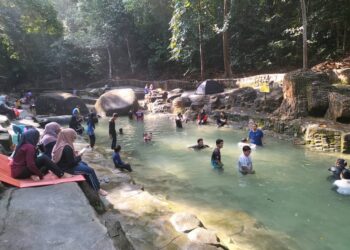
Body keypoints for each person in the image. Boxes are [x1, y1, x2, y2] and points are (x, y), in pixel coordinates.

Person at [51, 128, 108, 196]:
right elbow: (71, 163)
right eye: (73, 138)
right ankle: (98, 189)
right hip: (66, 169)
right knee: (90, 171)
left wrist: (75, 155)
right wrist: (79, 157)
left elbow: (65, 157)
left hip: (61, 166)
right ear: (68, 136)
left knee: (84, 164)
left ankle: (92, 182)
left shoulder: (59, 144)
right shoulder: (66, 147)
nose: (73, 140)